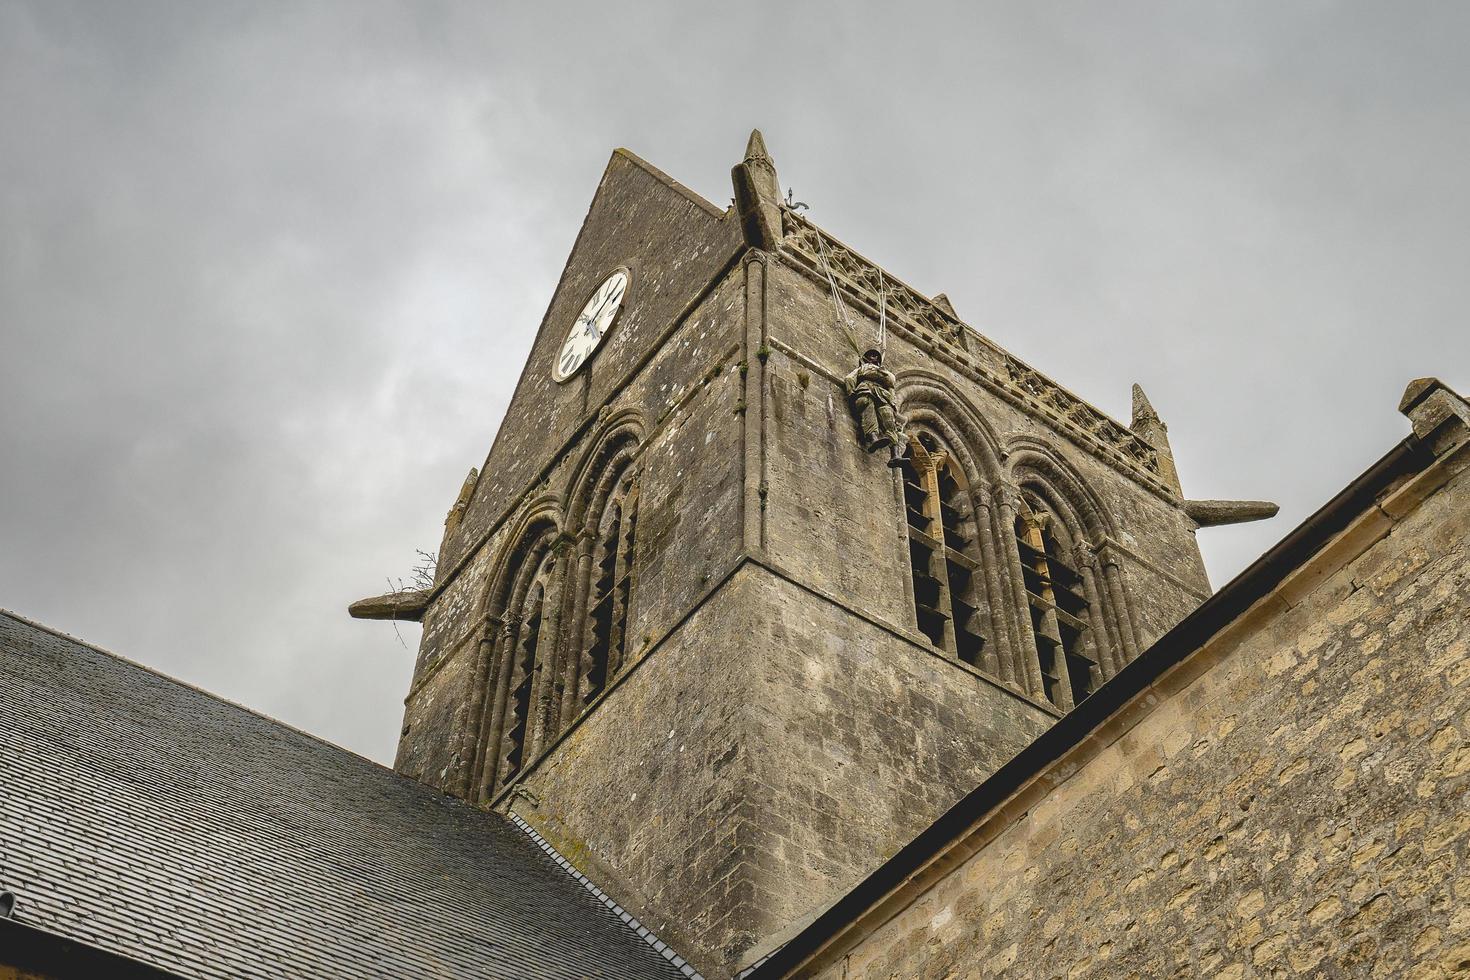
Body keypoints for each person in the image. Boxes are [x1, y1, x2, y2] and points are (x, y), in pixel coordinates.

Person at [843, 348, 904, 461]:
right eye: (871, 355)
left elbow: (891, 385)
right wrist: (851, 393)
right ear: (866, 358)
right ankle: (873, 439)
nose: (874, 357)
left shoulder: (885, 372)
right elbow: (849, 378)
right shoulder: (862, 368)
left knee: (889, 422)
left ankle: (895, 454)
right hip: (866, 391)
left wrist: (893, 404)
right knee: (869, 412)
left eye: (876, 356)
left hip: (883, 395)